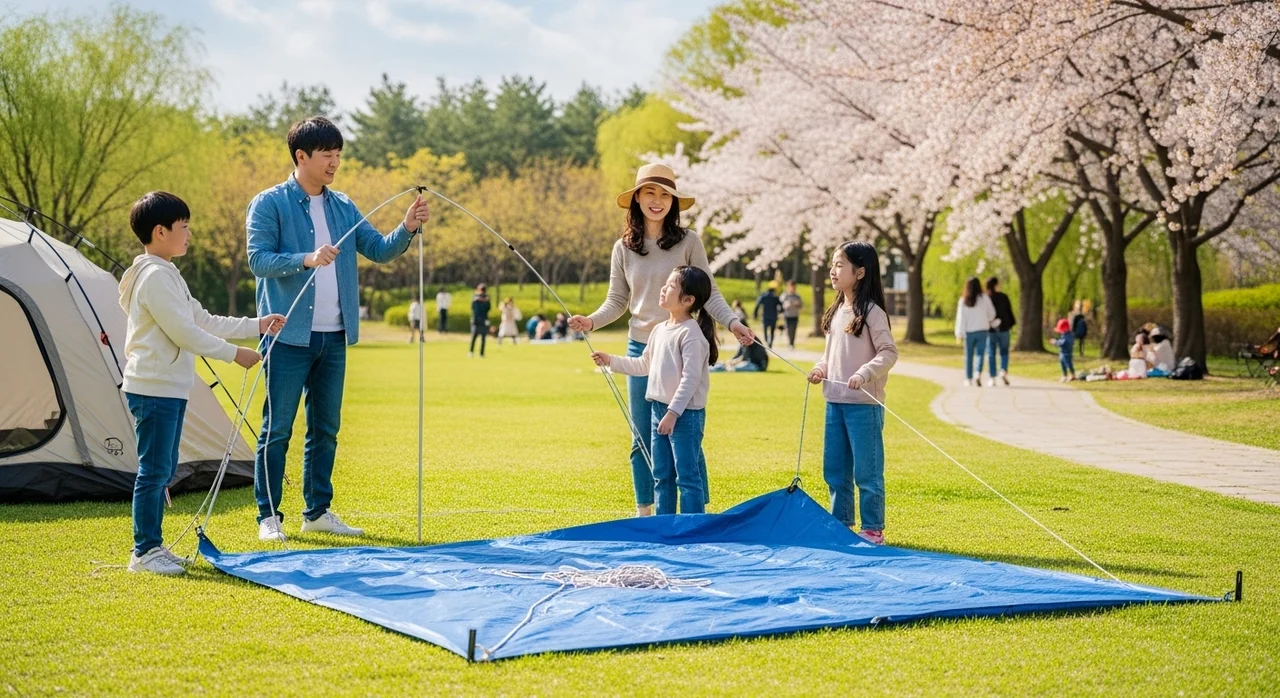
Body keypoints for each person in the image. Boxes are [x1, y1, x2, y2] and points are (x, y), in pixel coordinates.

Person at [246, 116, 429, 542]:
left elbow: (380, 250)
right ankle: (268, 516)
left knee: (326, 427)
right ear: (301, 156)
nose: (334, 162)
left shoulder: (343, 206)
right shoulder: (269, 203)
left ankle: (318, 511)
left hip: (334, 335)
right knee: (278, 428)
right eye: (327, 154)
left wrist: (408, 227)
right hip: (286, 335)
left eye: (338, 154)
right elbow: (258, 259)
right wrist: (306, 258)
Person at [567, 163, 753, 516]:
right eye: (650, 193)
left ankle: (696, 512)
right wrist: (591, 321)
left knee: (686, 433)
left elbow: (708, 293)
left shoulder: (689, 242)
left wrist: (733, 323)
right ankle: (646, 512)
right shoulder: (623, 248)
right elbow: (618, 301)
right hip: (642, 347)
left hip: (682, 346)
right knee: (642, 436)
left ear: (674, 202)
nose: (657, 201)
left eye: (665, 194)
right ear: (636, 198)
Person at [119, 192, 284, 574]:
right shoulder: (155, 277)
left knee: (162, 467)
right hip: (154, 388)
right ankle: (144, 552)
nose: (189, 233)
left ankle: (152, 546)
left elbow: (202, 320)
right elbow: (185, 334)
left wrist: (255, 325)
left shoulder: (167, 273)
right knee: (154, 470)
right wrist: (235, 354)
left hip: (167, 388)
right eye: (183, 226)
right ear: (160, 232)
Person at [591, 266, 718, 515]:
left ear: (688, 300)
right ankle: (665, 528)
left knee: (687, 477)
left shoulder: (691, 335)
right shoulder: (659, 330)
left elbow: (690, 380)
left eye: (671, 286)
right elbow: (643, 365)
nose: (663, 288)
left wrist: (673, 413)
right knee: (661, 475)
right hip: (658, 411)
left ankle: (693, 530)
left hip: (685, 416)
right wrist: (611, 361)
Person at [806, 241, 897, 545]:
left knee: (867, 472)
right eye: (832, 264)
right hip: (835, 402)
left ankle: (873, 528)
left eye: (840, 265)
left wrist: (864, 373)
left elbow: (888, 352)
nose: (833, 270)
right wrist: (820, 369)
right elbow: (830, 355)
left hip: (863, 406)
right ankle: (841, 524)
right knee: (835, 470)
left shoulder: (872, 312)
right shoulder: (836, 312)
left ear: (860, 272)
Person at [955, 276, 998, 387]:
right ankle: (977, 373)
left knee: (969, 356)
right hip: (982, 330)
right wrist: (988, 320)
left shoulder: (964, 300)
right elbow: (992, 314)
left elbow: (961, 318)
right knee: (980, 354)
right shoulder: (985, 298)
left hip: (969, 332)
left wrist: (959, 332)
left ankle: (968, 378)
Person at [983, 277, 1016, 385]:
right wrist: (1011, 324)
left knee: (991, 352)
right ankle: (1003, 370)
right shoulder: (1003, 297)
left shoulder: (986, 298)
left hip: (990, 329)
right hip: (1004, 328)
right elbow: (1009, 311)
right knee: (1004, 351)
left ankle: (992, 377)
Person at [753, 283, 786, 348]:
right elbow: (781, 305)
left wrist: (755, 314)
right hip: (774, 316)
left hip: (765, 316)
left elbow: (757, 305)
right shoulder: (775, 297)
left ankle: (766, 340)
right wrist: (781, 311)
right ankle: (770, 342)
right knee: (772, 330)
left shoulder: (764, 297)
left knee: (765, 329)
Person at [469, 284, 491, 357]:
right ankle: (471, 351)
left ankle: (481, 353)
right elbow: (473, 308)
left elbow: (488, 308)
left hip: (484, 320)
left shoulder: (487, 299)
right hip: (476, 320)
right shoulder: (475, 298)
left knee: (483, 338)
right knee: (474, 337)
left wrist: (485, 300)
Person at [781, 281, 804, 349]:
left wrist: (796, 304)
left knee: (793, 330)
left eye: (794, 287)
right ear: (788, 287)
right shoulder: (784, 295)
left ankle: (791, 343)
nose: (792, 288)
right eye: (791, 287)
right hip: (787, 315)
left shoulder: (797, 296)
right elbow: (780, 305)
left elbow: (801, 306)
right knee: (788, 330)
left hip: (794, 315)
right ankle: (789, 341)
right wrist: (786, 305)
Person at [1053, 318, 1077, 382]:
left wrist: (1056, 342)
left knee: (1068, 365)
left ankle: (1072, 375)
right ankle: (1065, 375)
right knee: (1062, 365)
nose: (1061, 332)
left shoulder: (1068, 336)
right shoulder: (1064, 335)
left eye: (1061, 330)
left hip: (1067, 353)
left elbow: (1063, 342)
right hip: (1062, 353)